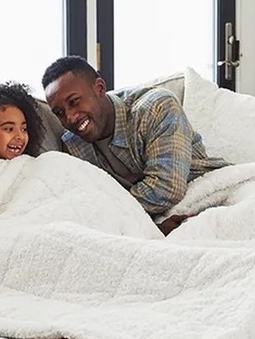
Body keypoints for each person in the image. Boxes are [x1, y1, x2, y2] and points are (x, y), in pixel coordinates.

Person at [41, 56, 227, 232]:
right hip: (149, 223)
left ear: (99, 88)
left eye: (74, 102)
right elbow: (84, 203)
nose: (70, 118)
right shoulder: (72, 145)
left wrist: (106, 215)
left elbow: (167, 188)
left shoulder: (156, 107)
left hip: (208, 195)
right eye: (59, 113)